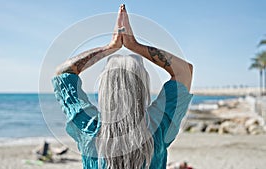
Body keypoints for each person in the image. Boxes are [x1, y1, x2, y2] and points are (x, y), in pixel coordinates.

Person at [52, 4, 193, 169]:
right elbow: (184, 71)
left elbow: (63, 74)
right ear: (142, 89)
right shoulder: (158, 127)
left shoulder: (88, 129)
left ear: (105, 90)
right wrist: (134, 45)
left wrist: (110, 47)